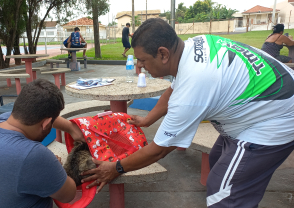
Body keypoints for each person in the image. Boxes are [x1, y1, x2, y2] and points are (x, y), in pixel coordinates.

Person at [81, 18, 294, 207]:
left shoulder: (192, 90)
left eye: (143, 60)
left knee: (224, 191)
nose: (140, 66)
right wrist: (147, 120)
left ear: (163, 54)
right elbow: (172, 90)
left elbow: (159, 150)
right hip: (267, 102)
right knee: (218, 158)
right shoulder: (193, 45)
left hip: (277, 119)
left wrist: (115, 168)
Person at [0, 79, 86, 208]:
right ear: (46, 124)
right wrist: (52, 168)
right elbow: (68, 195)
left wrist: (71, 128)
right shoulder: (33, 154)